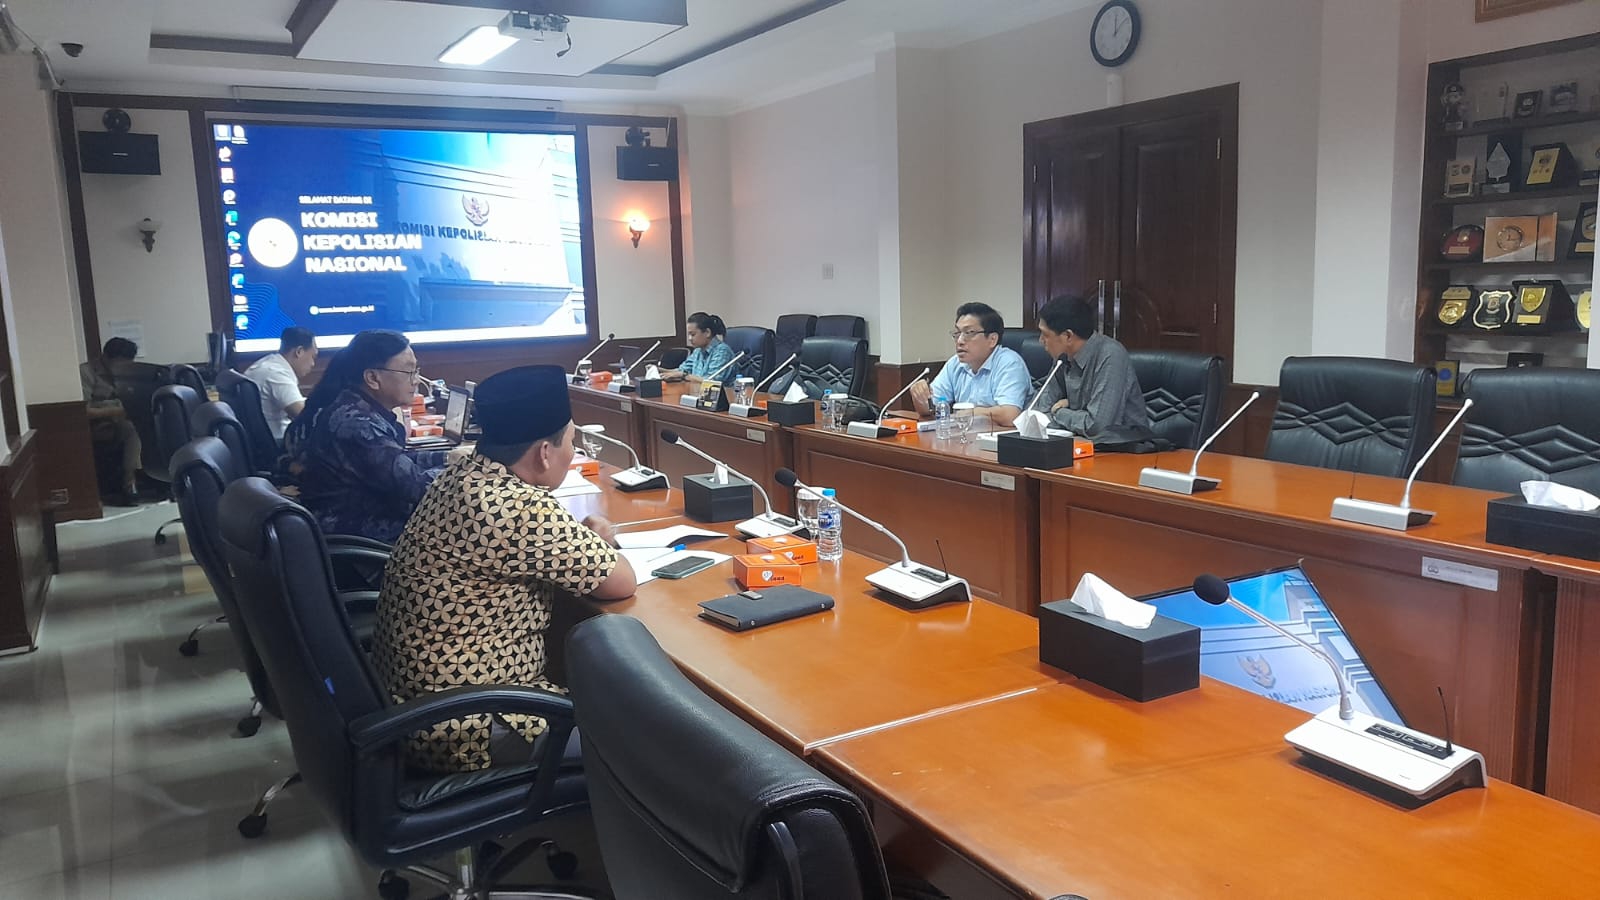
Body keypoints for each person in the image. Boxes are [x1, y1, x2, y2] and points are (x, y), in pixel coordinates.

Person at [371, 364, 637, 773]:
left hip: (412, 699)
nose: (572, 451)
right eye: (571, 440)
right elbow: (621, 582)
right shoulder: (518, 508)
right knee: (643, 740)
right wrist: (601, 539)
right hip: (471, 722)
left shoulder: (462, 474)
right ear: (544, 453)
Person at [287, 329, 447, 544]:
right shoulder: (358, 425)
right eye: (408, 371)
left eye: (416, 370)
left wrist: (448, 458)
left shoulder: (355, 407)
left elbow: (397, 460)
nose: (416, 380)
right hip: (364, 539)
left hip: (367, 525)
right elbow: (418, 488)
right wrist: (465, 470)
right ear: (372, 378)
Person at [1032, 294, 1152, 443]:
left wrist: (1059, 412)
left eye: (1045, 334)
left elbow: (1097, 427)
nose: (1041, 340)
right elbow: (1038, 413)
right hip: (1079, 444)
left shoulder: (1110, 355)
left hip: (1122, 448)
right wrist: (1073, 417)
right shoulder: (1063, 357)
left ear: (1068, 336)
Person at [908, 302, 1032, 428]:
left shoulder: (1009, 363)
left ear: (992, 339)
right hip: (965, 435)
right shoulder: (955, 364)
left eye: (969, 333)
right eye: (957, 333)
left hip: (1002, 438)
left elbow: (1010, 416)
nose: (960, 341)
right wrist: (920, 396)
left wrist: (971, 413)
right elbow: (930, 409)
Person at [80, 337, 142, 506]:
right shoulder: (86, 372)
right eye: (120, 363)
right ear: (105, 358)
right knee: (132, 429)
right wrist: (117, 409)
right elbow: (84, 411)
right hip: (97, 424)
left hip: (121, 418)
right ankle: (130, 481)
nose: (123, 368)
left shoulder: (129, 372)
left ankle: (157, 479)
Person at [242, 326, 318, 442]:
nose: (313, 364)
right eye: (313, 356)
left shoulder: (268, 363)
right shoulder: (276, 374)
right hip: (277, 442)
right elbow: (303, 415)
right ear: (299, 352)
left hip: (261, 440)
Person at [665, 312, 735, 383]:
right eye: (689, 334)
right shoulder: (698, 350)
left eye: (693, 334)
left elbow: (712, 381)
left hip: (723, 390)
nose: (689, 338)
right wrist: (660, 370)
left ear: (707, 332)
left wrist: (684, 375)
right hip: (696, 389)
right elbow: (681, 371)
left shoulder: (722, 351)